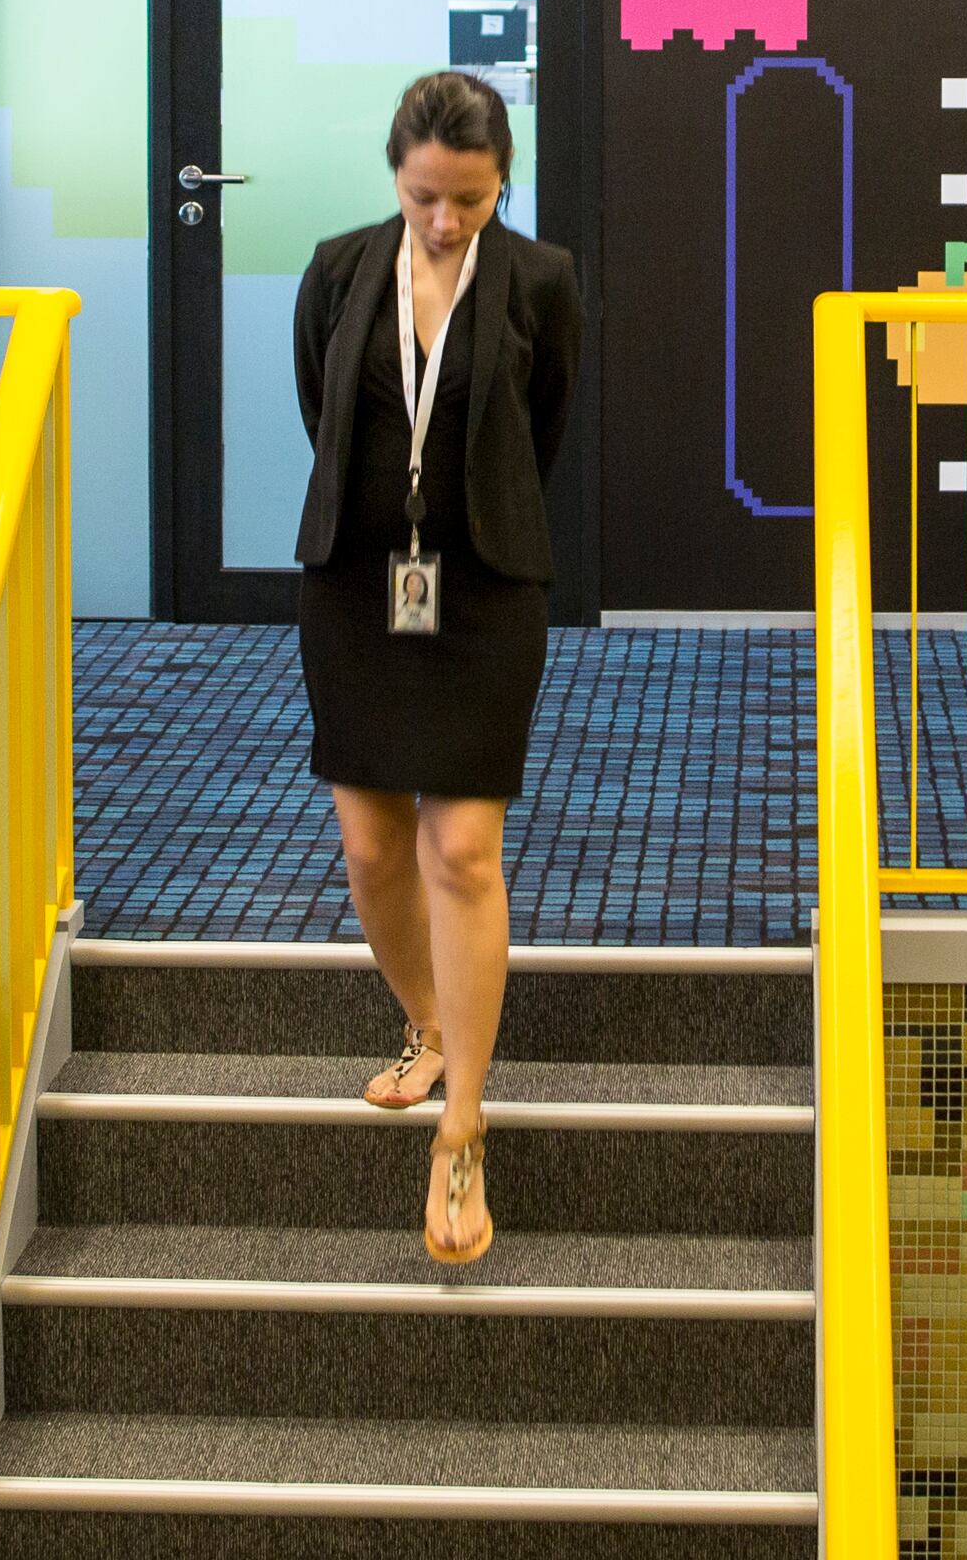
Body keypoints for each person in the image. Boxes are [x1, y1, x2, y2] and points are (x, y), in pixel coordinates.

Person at [291, 67, 583, 1264]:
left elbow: (542, 424)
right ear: (396, 178)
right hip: (358, 588)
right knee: (370, 846)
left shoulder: (542, 281)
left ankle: (463, 1129)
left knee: (459, 847)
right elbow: (319, 405)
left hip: (483, 595)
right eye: (425, 197)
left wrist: (470, 516)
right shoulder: (337, 269)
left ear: (502, 180)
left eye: (470, 198)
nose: (446, 221)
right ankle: (426, 1024)